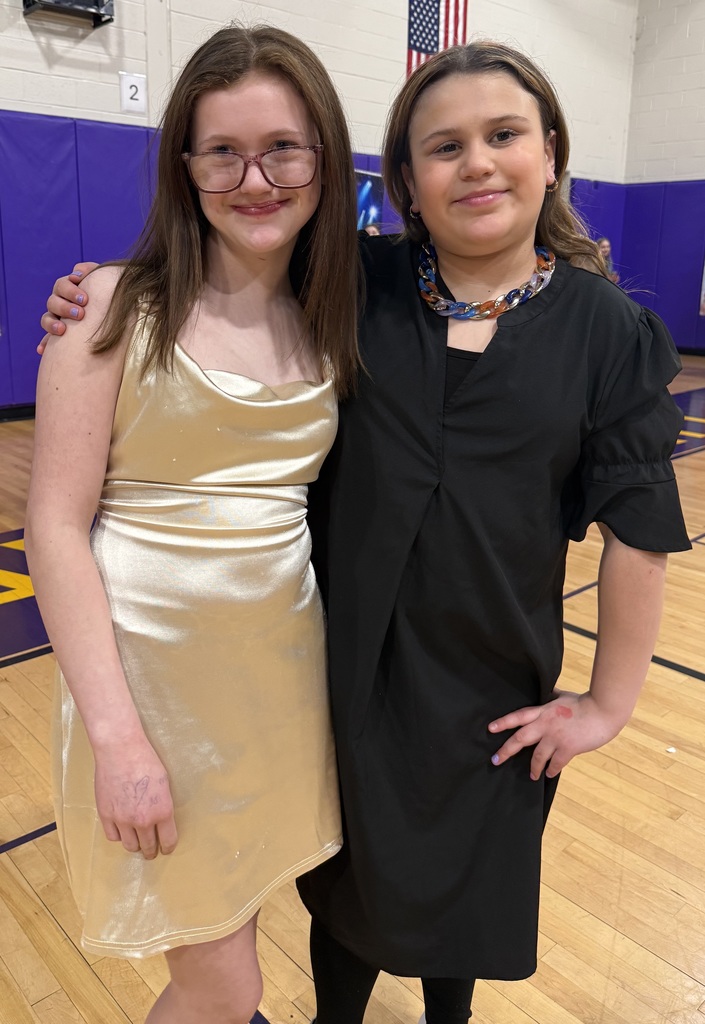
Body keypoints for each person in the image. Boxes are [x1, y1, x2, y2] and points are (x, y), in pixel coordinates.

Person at [39, 40, 690, 1024]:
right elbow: (210, 277)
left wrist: (609, 702)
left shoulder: (592, 327)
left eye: (503, 135)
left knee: (448, 889)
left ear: (551, 151)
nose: (476, 163)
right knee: (321, 904)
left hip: (459, 671)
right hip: (312, 670)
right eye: (443, 146)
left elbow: (639, 526)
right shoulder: (360, 291)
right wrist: (93, 291)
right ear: (406, 181)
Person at [26, 23, 360, 1024]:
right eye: (222, 151)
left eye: (283, 148)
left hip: (277, 691)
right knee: (225, 982)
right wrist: (119, 741)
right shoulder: (106, 308)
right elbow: (54, 529)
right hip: (153, 700)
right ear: (184, 165)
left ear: (324, 158)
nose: (254, 179)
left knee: (236, 927)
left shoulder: (334, 317)